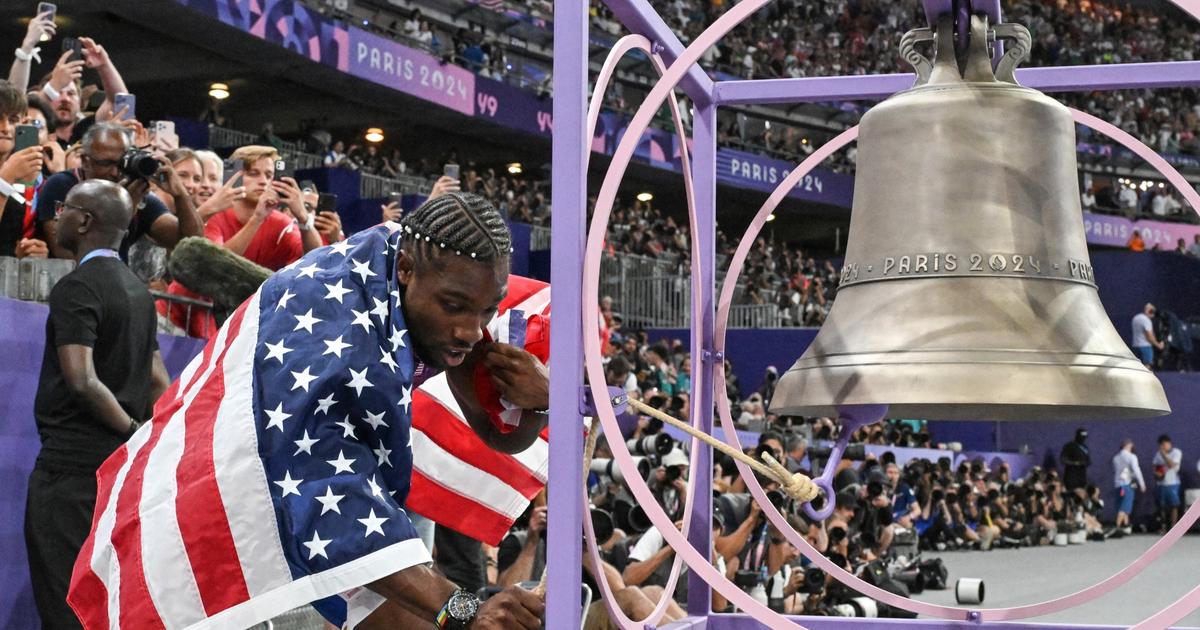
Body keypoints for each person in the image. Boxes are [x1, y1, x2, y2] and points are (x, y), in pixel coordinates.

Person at [25, 179, 169, 627]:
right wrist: (145, 441)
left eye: (65, 207)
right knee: (102, 606)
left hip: (69, 477)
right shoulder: (139, 291)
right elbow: (159, 379)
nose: (58, 213)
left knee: (64, 605)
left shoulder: (78, 286)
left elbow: (83, 380)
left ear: (85, 221)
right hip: (114, 479)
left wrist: (132, 432)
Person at [36, 122, 203, 260]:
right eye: (105, 163)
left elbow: (191, 243)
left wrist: (180, 194)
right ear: (85, 161)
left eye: (121, 163)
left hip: (115, 287)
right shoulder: (63, 186)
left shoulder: (135, 192)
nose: (115, 172)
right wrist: (122, 212)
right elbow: (68, 257)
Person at [201, 144, 321, 269]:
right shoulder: (214, 215)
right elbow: (216, 264)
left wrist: (303, 217)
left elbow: (316, 260)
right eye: (253, 173)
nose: (263, 181)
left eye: (269, 175)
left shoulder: (280, 222)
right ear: (233, 176)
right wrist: (257, 219)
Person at [0, 80, 48, 257]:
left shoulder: (30, 175)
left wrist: (30, 253)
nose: (5, 128)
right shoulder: (11, 173)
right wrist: (5, 179)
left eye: (12, 120)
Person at [1111, 439, 1146, 535]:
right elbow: (1136, 470)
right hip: (1127, 485)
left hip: (1118, 485)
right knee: (1125, 507)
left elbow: (1118, 471)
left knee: (1122, 506)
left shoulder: (1116, 458)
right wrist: (1142, 483)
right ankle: (1117, 526)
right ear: (1128, 445)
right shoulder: (1132, 457)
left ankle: (1126, 526)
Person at [1152, 434, 1182, 531]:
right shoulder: (1158, 454)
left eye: (1165, 444)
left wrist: (1164, 455)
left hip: (1173, 483)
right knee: (1162, 506)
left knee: (1174, 505)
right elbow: (1155, 467)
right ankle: (1163, 526)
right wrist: (1157, 473)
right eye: (1162, 445)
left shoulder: (1176, 452)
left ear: (1169, 444)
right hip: (1161, 484)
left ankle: (1174, 527)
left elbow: (1172, 465)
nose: (1164, 446)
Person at [1130, 303, 1164, 368]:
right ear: (1151, 311)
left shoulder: (1136, 318)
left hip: (1136, 346)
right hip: (1145, 347)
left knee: (1138, 367)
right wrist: (1158, 345)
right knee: (1147, 368)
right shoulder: (1146, 320)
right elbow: (1149, 337)